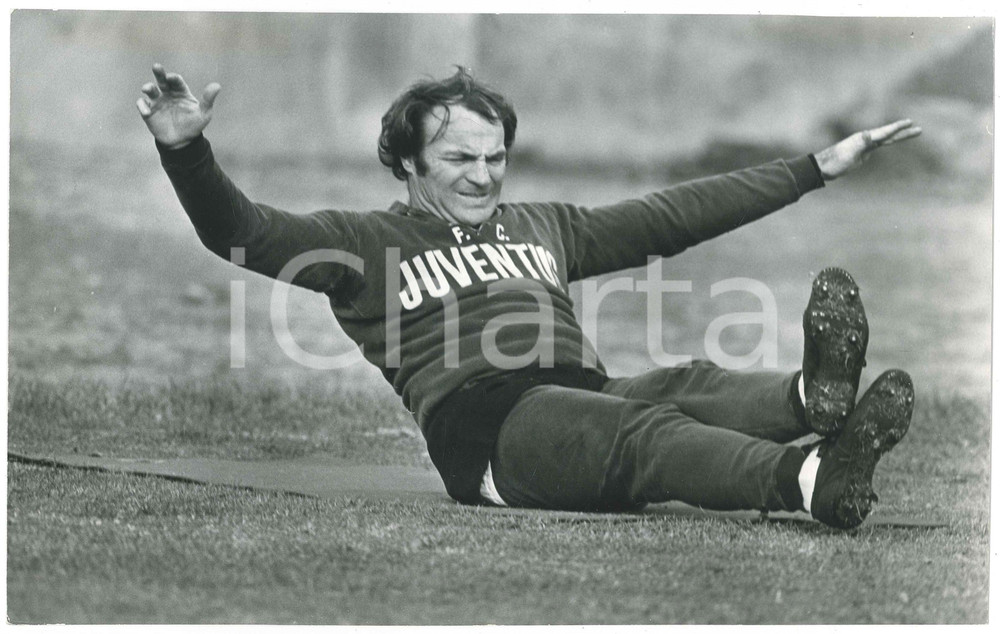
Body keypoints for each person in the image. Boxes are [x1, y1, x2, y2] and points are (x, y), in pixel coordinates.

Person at [137, 63, 921, 529]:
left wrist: (812, 168)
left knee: (687, 383)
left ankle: (812, 401)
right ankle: (811, 483)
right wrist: (187, 153)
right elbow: (244, 232)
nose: (482, 175)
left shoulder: (544, 225)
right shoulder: (363, 241)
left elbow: (672, 214)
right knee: (645, 428)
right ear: (407, 162)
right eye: (458, 157)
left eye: (496, 156)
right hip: (488, 426)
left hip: (584, 394)